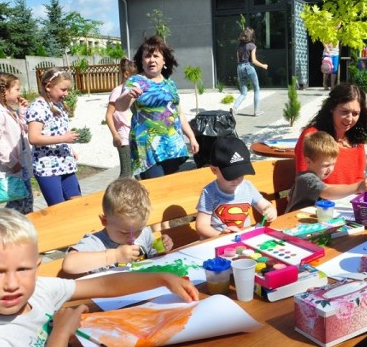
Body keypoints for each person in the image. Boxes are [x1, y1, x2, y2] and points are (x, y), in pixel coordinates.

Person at [0, 207, 199, 347]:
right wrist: (60, 334)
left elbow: (105, 284)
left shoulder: (39, 291)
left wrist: (161, 278)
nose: (12, 284)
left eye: (23, 269)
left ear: (36, 266)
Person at [115, 35, 199, 180]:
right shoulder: (135, 81)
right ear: (142, 61)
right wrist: (128, 95)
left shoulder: (169, 84)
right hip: (147, 146)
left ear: (164, 60)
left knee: (171, 186)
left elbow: (179, 113)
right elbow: (120, 106)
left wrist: (191, 137)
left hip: (171, 143)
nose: (152, 60)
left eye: (156, 56)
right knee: (155, 188)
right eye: (147, 56)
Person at [62, 178, 173, 275]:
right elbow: (69, 264)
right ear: (105, 221)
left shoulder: (144, 233)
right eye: (124, 232)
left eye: (138, 230)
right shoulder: (96, 243)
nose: (132, 237)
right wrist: (115, 256)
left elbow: (151, 256)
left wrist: (161, 248)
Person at [294, 83, 367, 184]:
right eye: (344, 112)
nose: (349, 119)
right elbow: (307, 183)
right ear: (332, 108)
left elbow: (359, 178)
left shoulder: (357, 140)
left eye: (355, 114)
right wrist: (352, 189)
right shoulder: (312, 136)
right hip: (319, 199)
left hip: (349, 198)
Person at [195, 136, 277, 238]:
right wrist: (220, 235)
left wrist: (271, 211)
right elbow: (201, 226)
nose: (237, 179)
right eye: (231, 175)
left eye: (241, 174)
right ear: (214, 170)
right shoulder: (210, 192)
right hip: (218, 241)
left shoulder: (247, 187)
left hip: (243, 239)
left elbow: (265, 206)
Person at [26, 68, 81, 206]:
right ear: (48, 87)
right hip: (48, 168)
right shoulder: (37, 108)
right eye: (63, 89)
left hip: (65, 163)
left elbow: (57, 130)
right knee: (58, 209)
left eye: (68, 89)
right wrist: (63, 139)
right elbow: (34, 138)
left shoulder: (58, 105)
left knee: (77, 203)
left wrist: (69, 148)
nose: (66, 93)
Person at [285, 131, 367, 212]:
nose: (330, 169)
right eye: (326, 165)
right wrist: (357, 187)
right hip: (294, 221)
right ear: (308, 162)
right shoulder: (307, 178)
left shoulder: (306, 178)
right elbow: (326, 191)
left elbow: (289, 197)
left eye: (333, 164)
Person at [0, 73, 33, 214]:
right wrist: (12, 163)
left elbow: (21, 130)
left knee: (26, 204)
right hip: (10, 168)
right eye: (17, 89)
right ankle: (8, 233)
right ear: (5, 90)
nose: (20, 93)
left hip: (20, 165)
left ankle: (26, 232)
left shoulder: (7, 109)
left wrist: (22, 113)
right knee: (15, 209)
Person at [105, 57, 138, 179]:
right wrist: (115, 135)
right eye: (135, 76)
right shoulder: (117, 91)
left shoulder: (134, 91)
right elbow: (108, 115)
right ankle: (117, 196)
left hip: (135, 136)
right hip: (124, 137)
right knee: (126, 173)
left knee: (139, 171)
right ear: (126, 74)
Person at [232, 27, 268, 117]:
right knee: (256, 89)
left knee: (243, 93)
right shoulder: (252, 45)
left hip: (239, 68)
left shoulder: (239, 46)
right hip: (248, 67)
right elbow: (254, 60)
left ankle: (234, 108)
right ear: (251, 36)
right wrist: (263, 65)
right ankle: (256, 111)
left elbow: (238, 59)